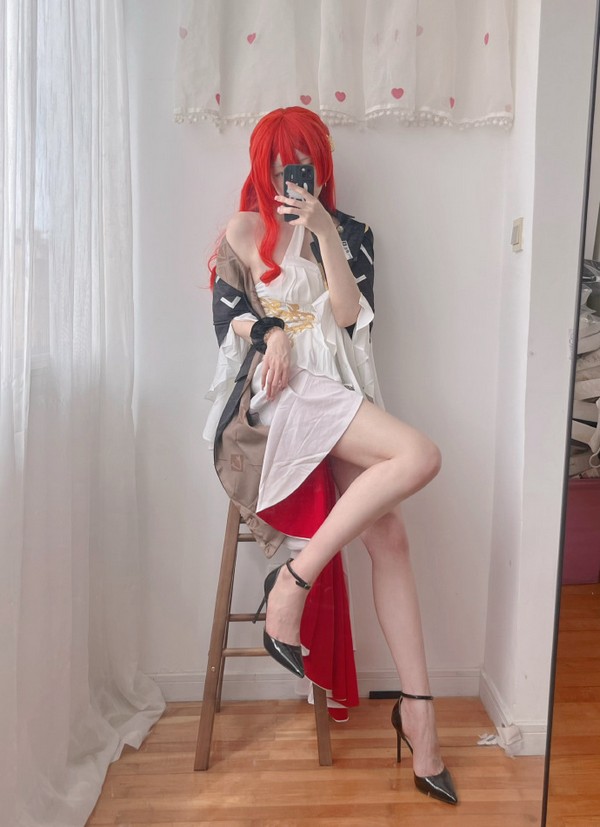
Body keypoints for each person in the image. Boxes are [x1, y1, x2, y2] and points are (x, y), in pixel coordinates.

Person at [204, 107, 458, 806]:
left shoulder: (352, 233)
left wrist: (321, 232)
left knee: (391, 535)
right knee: (421, 454)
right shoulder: (242, 230)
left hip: (340, 394)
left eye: (304, 159)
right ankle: (294, 584)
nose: (291, 172)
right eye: (279, 159)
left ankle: (418, 712)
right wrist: (273, 332)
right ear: (262, 163)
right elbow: (226, 319)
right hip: (281, 397)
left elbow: (347, 316)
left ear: (321, 163)